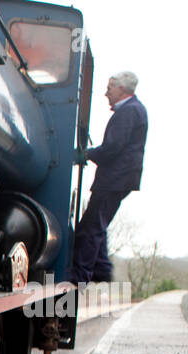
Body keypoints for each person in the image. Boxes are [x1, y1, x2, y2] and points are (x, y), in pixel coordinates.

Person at [72, 71, 148, 284]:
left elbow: (113, 147)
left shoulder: (129, 112)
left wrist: (86, 154)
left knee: (91, 228)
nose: (106, 93)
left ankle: (79, 276)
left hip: (114, 179)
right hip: (120, 179)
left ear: (122, 89)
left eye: (110, 88)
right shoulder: (135, 110)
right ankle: (101, 270)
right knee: (95, 224)